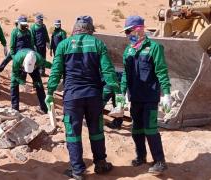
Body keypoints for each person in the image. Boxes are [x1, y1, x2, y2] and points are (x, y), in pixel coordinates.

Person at [45, 16, 120, 179]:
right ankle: (100, 164)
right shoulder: (97, 43)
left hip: (72, 97)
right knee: (97, 131)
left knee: (73, 133)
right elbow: (108, 71)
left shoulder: (64, 45)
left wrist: (49, 92)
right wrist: (118, 92)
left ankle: (77, 170)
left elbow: (56, 72)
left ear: (75, 29)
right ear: (90, 29)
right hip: (94, 96)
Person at [119, 15, 171, 175]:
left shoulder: (155, 48)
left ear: (139, 29)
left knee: (150, 129)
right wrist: (122, 94)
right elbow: (126, 75)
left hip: (150, 97)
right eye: (126, 32)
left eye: (129, 31)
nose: (127, 34)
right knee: (137, 129)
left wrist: (167, 94)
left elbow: (162, 71)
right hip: (135, 97)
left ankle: (160, 161)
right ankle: (141, 155)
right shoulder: (128, 50)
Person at [11, 49, 51, 114]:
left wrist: (56, 67)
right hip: (19, 66)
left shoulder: (39, 59)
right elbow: (15, 74)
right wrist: (23, 83)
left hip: (34, 69)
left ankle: (44, 108)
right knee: (14, 84)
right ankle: (15, 108)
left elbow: (47, 64)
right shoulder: (17, 59)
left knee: (39, 85)